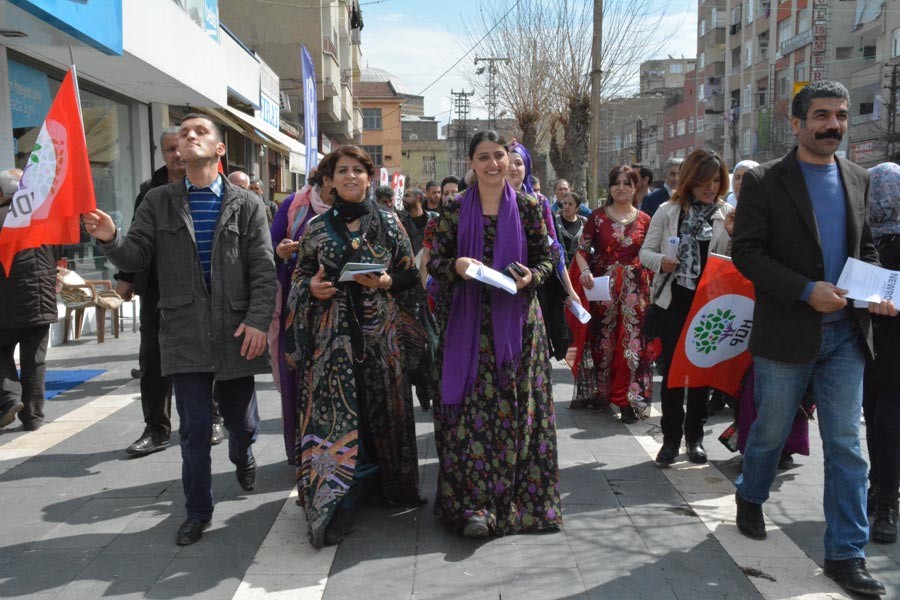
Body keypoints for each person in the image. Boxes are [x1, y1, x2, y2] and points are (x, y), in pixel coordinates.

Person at [732, 81, 895, 597]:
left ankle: (846, 553)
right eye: (822, 115)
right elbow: (748, 254)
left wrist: (876, 292)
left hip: (847, 335)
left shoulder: (858, 177)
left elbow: (864, 247)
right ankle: (750, 494)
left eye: (842, 116)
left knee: (847, 444)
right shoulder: (765, 181)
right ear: (797, 123)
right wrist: (805, 290)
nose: (834, 125)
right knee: (771, 430)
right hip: (787, 332)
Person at [83, 113, 276, 547]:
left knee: (241, 424)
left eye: (200, 131)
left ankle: (243, 451)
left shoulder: (247, 204)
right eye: (183, 134)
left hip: (235, 331)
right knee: (192, 428)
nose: (188, 137)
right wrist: (111, 237)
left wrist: (258, 320)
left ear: (219, 149)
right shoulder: (159, 201)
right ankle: (197, 511)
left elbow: (264, 269)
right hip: (183, 331)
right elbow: (135, 255)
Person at [285, 145, 424, 548]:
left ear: (370, 177)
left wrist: (384, 283)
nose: (350, 177)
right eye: (341, 171)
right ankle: (336, 499)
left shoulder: (389, 223)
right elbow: (300, 279)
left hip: (381, 339)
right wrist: (312, 288)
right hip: (332, 342)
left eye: (358, 171)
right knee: (337, 417)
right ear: (329, 181)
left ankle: (384, 485)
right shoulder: (314, 228)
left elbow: (409, 277)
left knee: (381, 408)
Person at [427, 130, 562, 537]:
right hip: (468, 327)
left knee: (517, 411)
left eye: (499, 156)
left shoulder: (529, 206)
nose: (492, 164)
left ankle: (518, 503)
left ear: (510, 159)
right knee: (470, 416)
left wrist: (529, 279)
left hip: (517, 328)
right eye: (483, 157)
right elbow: (435, 263)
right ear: (471, 163)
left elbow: (546, 260)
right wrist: (455, 267)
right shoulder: (452, 209)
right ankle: (474, 506)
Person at [117, 127, 225, 455]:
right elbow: (137, 238)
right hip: (158, 290)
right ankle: (156, 429)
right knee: (153, 360)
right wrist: (126, 276)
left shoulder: (217, 188)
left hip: (205, 288)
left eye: (180, 148)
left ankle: (213, 418)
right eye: (169, 150)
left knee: (209, 355)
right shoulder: (150, 191)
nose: (177, 155)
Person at [640, 149, 734, 465]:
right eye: (704, 181)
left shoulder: (726, 214)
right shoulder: (668, 211)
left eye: (717, 181)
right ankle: (670, 440)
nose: (710, 187)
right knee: (671, 376)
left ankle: (695, 438)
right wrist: (662, 262)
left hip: (710, 306)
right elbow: (645, 253)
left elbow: (739, 259)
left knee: (700, 375)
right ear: (691, 180)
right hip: (673, 302)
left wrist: (735, 235)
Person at [572, 166, 653, 422]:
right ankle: (604, 392)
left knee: (632, 345)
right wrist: (585, 272)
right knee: (604, 344)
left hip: (635, 292)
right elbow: (582, 251)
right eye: (616, 183)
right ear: (609, 188)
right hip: (604, 292)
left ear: (635, 188)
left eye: (627, 183)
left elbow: (650, 255)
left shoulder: (645, 220)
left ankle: (628, 400)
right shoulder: (597, 218)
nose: (621, 187)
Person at [268, 166, 333, 464]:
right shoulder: (294, 205)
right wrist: (280, 251)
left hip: (341, 310)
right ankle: (300, 451)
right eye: (337, 173)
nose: (346, 179)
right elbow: (268, 246)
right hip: (297, 310)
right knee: (296, 380)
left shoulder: (357, 208)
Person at [507, 140, 579, 360]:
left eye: (518, 163)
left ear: (526, 168)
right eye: (507, 162)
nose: (512, 168)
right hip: (501, 282)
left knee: (533, 350)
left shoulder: (539, 202)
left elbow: (553, 249)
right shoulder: (488, 201)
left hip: (535, 284)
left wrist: (570, 289)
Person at [0, 168, 57, 432]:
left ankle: (9, 398)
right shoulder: (43, 218)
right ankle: (33, 416)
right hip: (41, 300)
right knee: (35, 359)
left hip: (7, 301)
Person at [864, 162, 900, 545]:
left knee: (889, 426)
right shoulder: (864, 237)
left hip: (896, 350)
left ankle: (888, 501)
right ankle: (878, 488)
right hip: (868, 348)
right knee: (873, 422)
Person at [397, 185, 439, 411]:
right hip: (407, 292)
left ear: (420, 199)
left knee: (432, 342)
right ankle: (422, 389)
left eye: (409, 196)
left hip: (432, 291)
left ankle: (431, 388)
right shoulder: (399, 222)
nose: (404, 199)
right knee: (413, 346)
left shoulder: (434, 221)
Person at [554, 191, 586, 264]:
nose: (566, 207)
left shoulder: (583, 222)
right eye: (565, 203)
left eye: (570, 204)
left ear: (577, 208)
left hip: (578, 266)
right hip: (560, 265)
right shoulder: (555, 221)